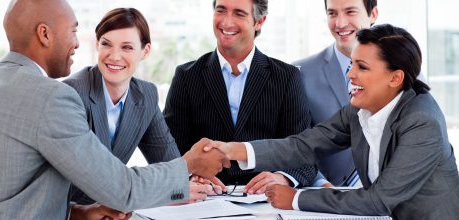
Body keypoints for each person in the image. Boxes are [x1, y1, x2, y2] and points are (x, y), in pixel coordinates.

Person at [0, 0, 228, 219]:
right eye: (72, 31)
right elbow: (122, 189)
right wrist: (188, 164)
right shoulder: (53, 96)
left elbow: (7, 194)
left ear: (144, 52)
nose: (77, 43)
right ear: (44, 34)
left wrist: (75, 214)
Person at [207, 24, 459, 219]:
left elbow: (378, 200)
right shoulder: (359, 110)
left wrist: (296, 199)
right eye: (351, 64)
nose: (350, 74)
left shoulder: (422, 121)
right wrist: (235, 150)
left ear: (395, 78)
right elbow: (305, 145)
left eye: (362, 67)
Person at [63, 8, 220, 208]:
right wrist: (174, 181)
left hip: (114, 209)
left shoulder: (146, 95)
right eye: (106, 44)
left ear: (145, 51)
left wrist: (192, 180)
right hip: (71, 210)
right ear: (97, 45)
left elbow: (168, 160)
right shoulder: (73, 92)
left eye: (127, 47)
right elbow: (93, 178)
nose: (114, 56)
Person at [163, 0, 316, 194]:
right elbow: (168, 150)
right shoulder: (187, 76)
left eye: (239, 14)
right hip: (203, 199)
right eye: (221, 10)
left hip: (264, 201)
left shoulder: (287, 77)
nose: (227, 22)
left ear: (259, 21)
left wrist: (282, 178)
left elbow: (304, 152)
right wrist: (191, 178)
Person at [292, 0, 378, 187]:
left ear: (373, 14)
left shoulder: (404, 69)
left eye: (350, 12)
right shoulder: (298, 74)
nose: (340, 23)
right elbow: (295, 145)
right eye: (332, 14)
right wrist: (321, 185)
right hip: (328, 198)